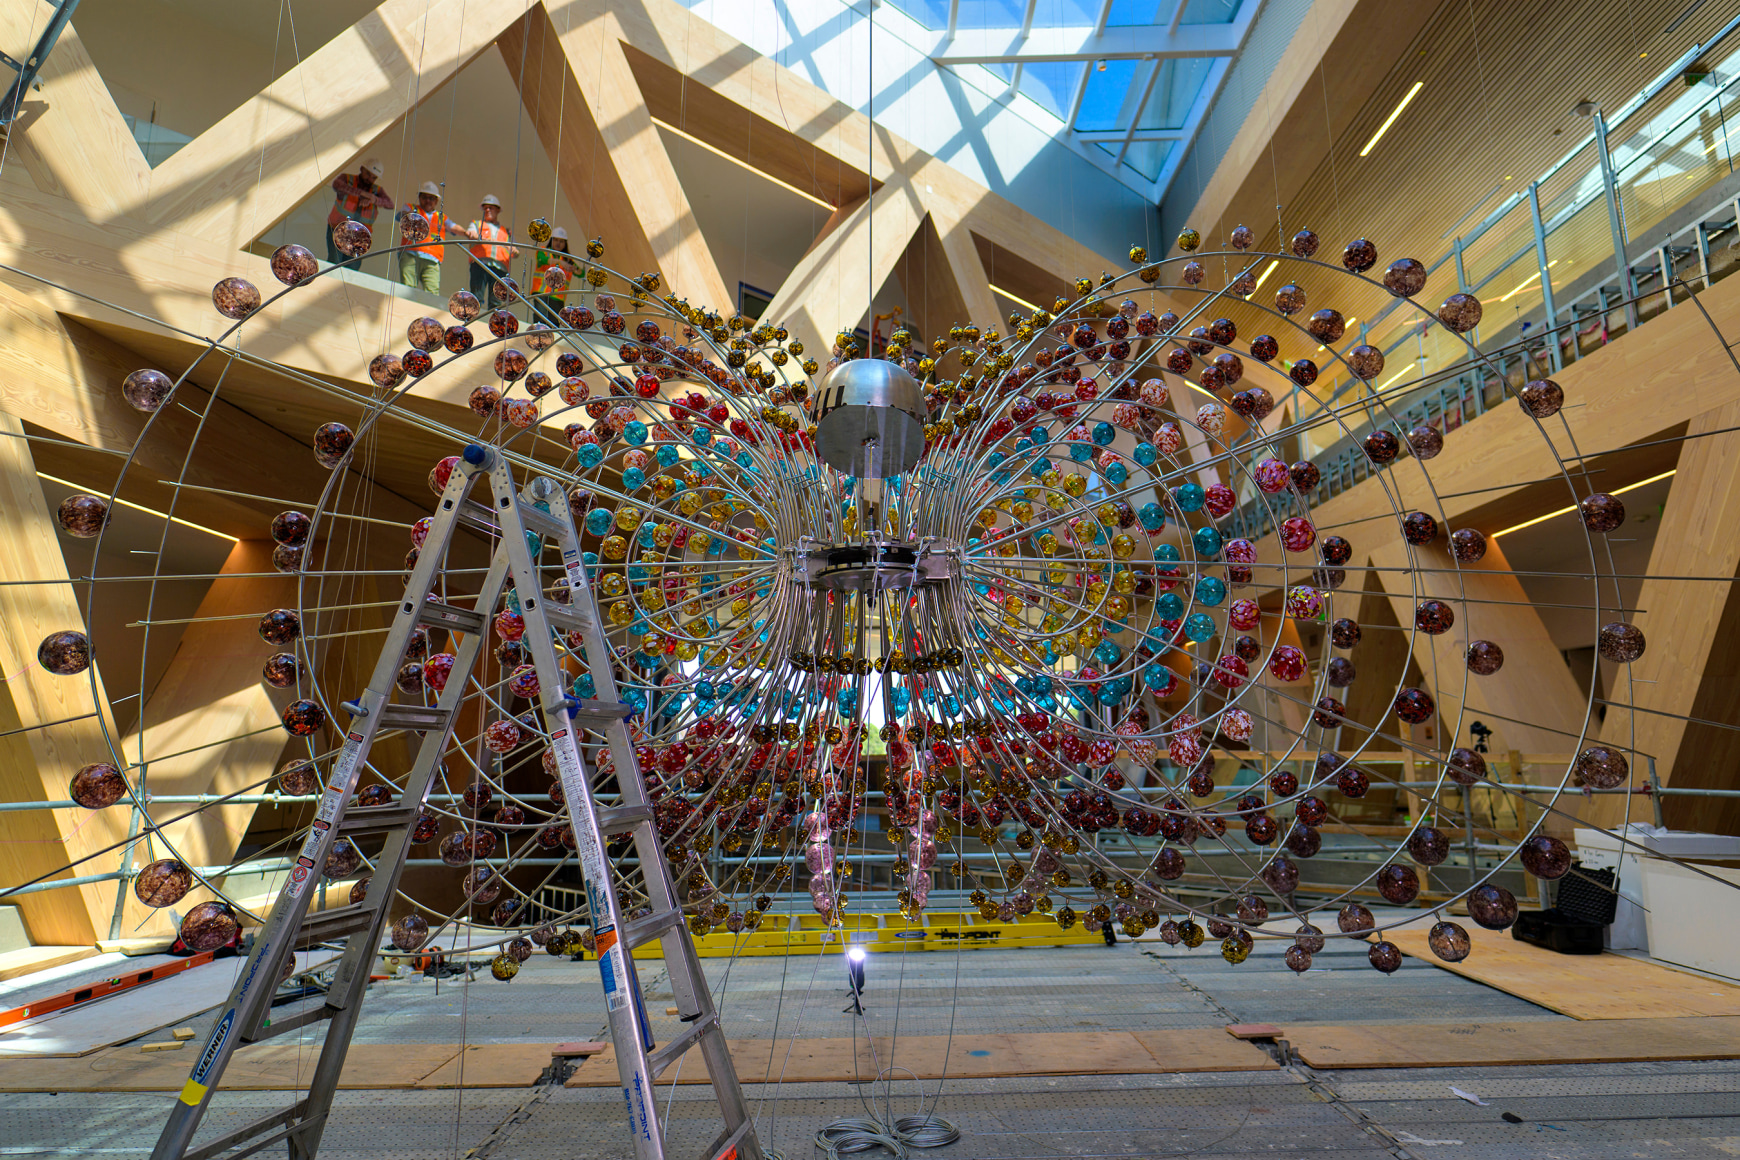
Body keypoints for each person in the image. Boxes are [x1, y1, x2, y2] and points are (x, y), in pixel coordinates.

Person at [396, 181, 466, 293]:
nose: (428, 200)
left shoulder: (441, 217)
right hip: (411, 253)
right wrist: (408, 214)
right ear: (419, 197)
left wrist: (467, 233)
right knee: (407, 289)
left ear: (436, 201)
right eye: (424, 197)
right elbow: (401, 215)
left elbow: (453, 227)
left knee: (432, 293)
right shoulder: (411, 207)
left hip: (432, 259)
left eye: (431, 198)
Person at [326, 158, 393, 269]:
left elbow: (390, 204)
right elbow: (337, 185)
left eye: (373, 177)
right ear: (362, 169)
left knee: (352, 267)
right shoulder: (347, 179)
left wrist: (374, 199)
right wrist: (362, 194)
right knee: (334, 262)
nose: (370, 179)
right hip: (339, 229)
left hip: (359, 237)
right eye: (368, 174)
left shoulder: (377, 191)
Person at [465, 194, 514, 307]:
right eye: (485, 207)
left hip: (499, 268)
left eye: (490, 207)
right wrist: (477, 236)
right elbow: (470, 234)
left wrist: (514, 250)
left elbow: (515, 250)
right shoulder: (477, 225)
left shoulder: (506, 232)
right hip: (480, 264)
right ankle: (475, 320)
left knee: (495, 301)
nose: (487, 210)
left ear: (497, 210)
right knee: (476, 296)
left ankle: (494, 323)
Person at [530, 227, 575, 323]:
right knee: (540, 320)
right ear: (551, 240)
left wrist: (575, 269)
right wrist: (560, 262)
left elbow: (580, 273)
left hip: (557, 297)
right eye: (556, 240)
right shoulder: (544, 251)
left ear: (565, 243)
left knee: (554, 324)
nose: (558, 243)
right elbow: (541, 259)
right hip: (541, 293)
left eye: (561, 241)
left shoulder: (568, 260)